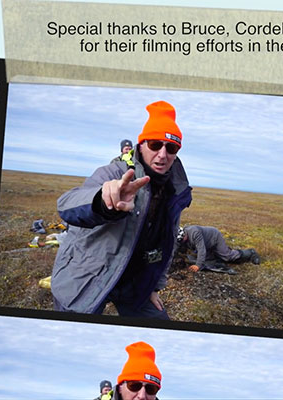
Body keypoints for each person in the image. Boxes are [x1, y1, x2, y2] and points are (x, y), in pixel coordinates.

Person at [51, 101, 192, 319]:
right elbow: (67, 205)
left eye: (171, 147)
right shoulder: (115, 172)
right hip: (87, 275)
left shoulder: (175, 189)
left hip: (135, 279)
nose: (162, 155)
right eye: (155, 144)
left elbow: (168, 240)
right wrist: (102, 201)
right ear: (142, 145)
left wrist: (155, 286)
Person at [177, 225, 260, 274]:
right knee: (209, 262)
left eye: (183, 239)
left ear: (185, 234)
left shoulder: (194, 232)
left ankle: (250, 253)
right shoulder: (179, 237)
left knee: (227, 256)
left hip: (214, 237)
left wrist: (198, 265)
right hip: (206, 244)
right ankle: (216, 258)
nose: (182, 241)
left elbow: (201, 250)